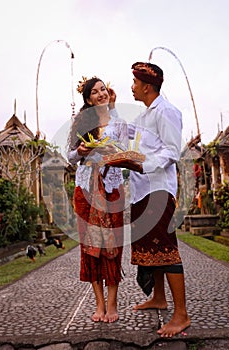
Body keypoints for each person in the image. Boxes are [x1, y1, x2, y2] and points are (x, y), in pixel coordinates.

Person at [128, 62, 191, 337]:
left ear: (146, 86)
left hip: (159, 190)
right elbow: (125, 134)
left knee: (165, 247)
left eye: (134, 83)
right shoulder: (144, 117)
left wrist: (143, 165)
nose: (132, 87)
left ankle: (181, 315)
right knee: (151, 249)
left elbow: (172, 152)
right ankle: (159, 298)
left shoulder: (167, 112)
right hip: (142, 190)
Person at [67, 76, 128, 323]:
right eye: (95, 91)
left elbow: (125, 148)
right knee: (91, 248)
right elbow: (70, 157)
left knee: (112, 246)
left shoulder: (117, 120)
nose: (101, 94)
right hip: (86, 189)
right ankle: (99, 305)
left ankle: (112, 303)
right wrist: (80, 151)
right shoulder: (81, 122)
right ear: (88, 98)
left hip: (112, 187)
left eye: (104, 89)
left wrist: (113, 108)